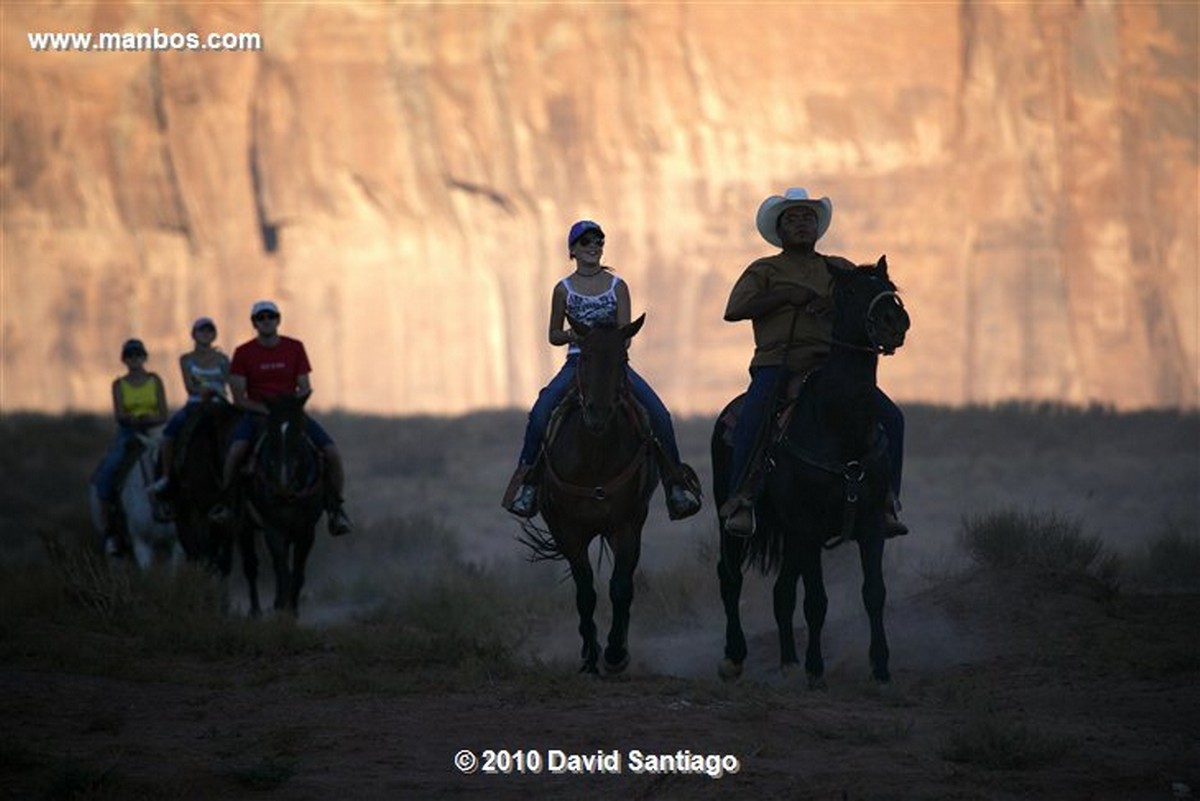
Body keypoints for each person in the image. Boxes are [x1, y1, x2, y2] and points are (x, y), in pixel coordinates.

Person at [721, 188, 907, 538]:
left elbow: (864, 302)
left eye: (808, 218)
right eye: (793, 219)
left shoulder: (840, 268)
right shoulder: (764, 269)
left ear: (817, 226)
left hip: (834, 365)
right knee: (754, 416)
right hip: (780, 363)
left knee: (893, 419)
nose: (802, 224)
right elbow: (734, 310)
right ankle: (741, 499)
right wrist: (786, 296)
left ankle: (886, 502)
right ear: (780, 229)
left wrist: (832, 303)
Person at [503, 220, 702, 520]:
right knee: (541, 412)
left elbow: (627, 334)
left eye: (598, 241)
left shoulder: (617, 287)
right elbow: (553, 335)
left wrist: (607, 344)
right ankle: (527, 485)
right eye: (586, 242)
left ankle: (676, 486)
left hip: (613, 364)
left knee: (659, 415)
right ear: (573, 250)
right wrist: (575, 336)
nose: (594, 246)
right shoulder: (563, 290)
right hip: (577, 362)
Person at [207, 300, 353, 537]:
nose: (266, 321)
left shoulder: (295, 348)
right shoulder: (243, 353)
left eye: (271, 316)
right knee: (235, 452)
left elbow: (304, 386)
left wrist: (288, 409)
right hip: (258, 415)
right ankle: (227, 504)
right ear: (254, 323)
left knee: (332, 453)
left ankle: (336, 509)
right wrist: (267, 411)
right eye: (261, 317)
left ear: (278, 320)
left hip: (291, 415)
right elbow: (238, 398)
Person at [92, 338, 168, 552]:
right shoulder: (119, 384)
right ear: (124, 360)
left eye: (138, 355)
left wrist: (149, 419)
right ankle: (111, 531)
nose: (134, 359)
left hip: (155, 430)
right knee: (106, 473)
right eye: (130, 356)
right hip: (130, 433)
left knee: (176, 461)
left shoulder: (155, 381)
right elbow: (119, 414)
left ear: (144, 358)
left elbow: (163, 411)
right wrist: (134, 420)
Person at [150, 316, 230, 496]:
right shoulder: (186, 359)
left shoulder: (223, 359)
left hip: (220, 404)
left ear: (214, 334)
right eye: (202, 330)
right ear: (194, 334)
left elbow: (230, 382)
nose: (206, 334)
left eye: (209, 330)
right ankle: (167, 477)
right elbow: (189, 386)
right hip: (196, 404)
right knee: (169, 434)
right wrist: (205, 392)